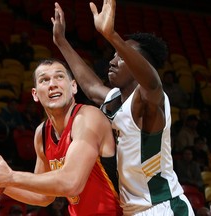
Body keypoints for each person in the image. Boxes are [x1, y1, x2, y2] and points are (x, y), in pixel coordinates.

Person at [52, 1, 194, 215]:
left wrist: (112, 35)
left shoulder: (149, 102)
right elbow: (91, 87)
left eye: (121, 56)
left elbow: (153, 83)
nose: (112, 61)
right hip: (132, 209)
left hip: (162, 207)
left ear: (140, 65)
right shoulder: (116, 98)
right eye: (114, 54)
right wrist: (61, 42)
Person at [0, 59, 122, 215]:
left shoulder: (88, 117)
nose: (52, 84)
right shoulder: (42, 133)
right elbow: (43, 196)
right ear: (35, 94)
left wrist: (11, 177)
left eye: (59, 77)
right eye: (44, 80)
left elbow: (71, 182)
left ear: (73, 87)